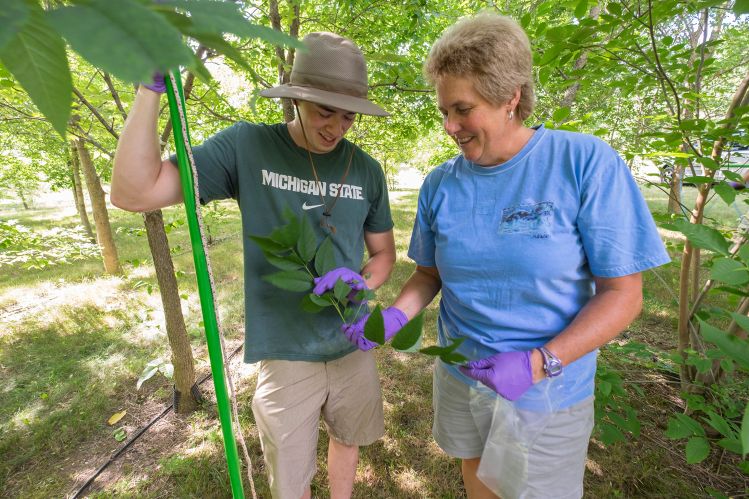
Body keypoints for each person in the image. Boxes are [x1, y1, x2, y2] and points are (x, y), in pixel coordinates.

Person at [340, 13, 670, 498]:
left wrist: (539, 362)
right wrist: (393, 316)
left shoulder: (584, 163)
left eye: (463, 109)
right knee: (480, 486)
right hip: (461, 376)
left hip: (547, 391)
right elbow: (429, 275)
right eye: (444, 112)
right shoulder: (439, 184)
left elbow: (623, 295)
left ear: (511, 96)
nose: (450, 126)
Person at [111, 32, 396, 499]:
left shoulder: (366, 169)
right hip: (285, 351)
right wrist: (150, 90)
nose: (337, 127)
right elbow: (133, 192)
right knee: (289, 477)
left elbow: (384, 254)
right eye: (325, 111)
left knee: (349, 438)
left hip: (352, 342)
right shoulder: (248, 146)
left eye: (348, 116)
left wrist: (360, 283)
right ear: (297, 98)